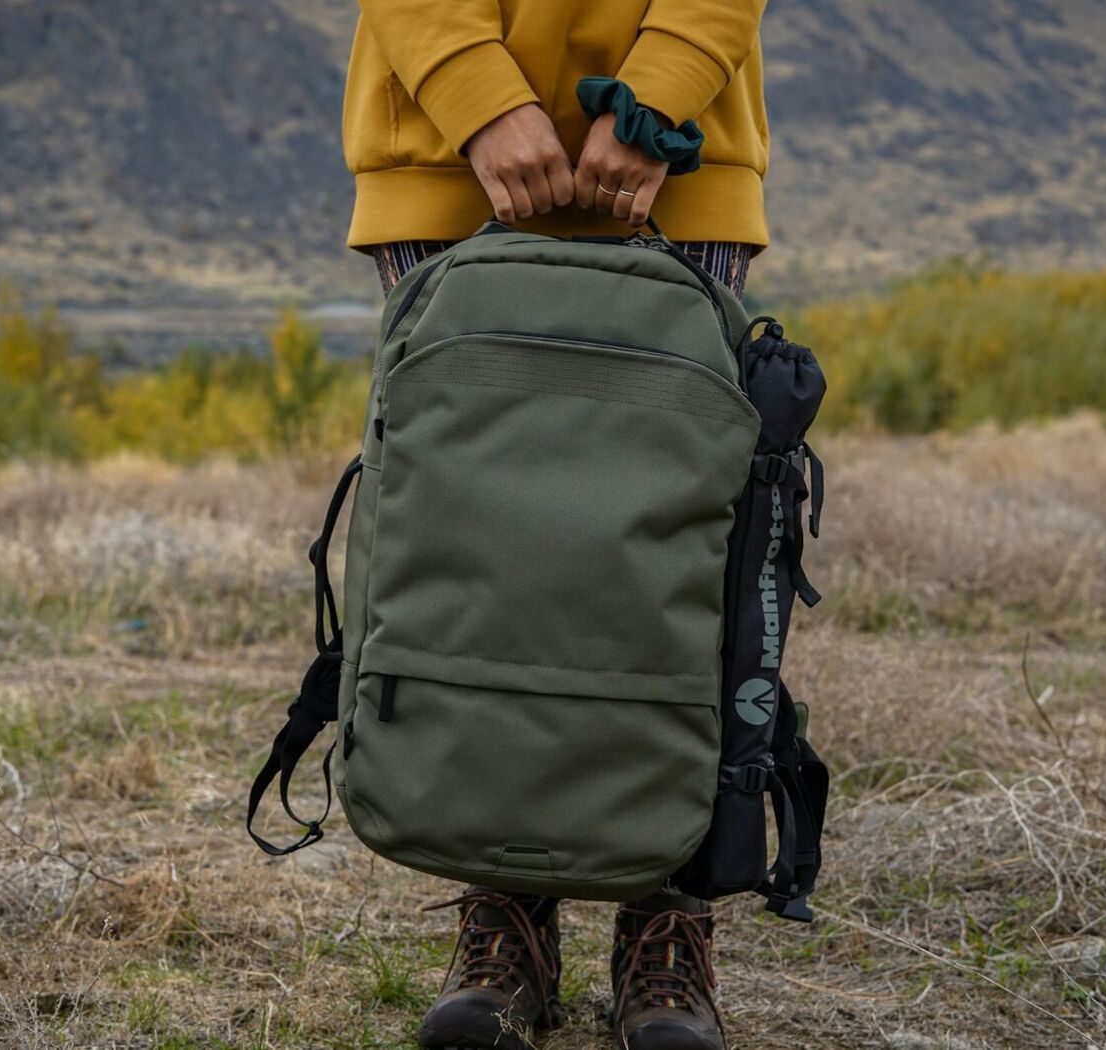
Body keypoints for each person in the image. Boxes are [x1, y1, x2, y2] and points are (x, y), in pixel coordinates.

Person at [340, 3, 771, 1047]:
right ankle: (504, 925)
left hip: (680, 152)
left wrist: (658, 98)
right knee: (482, 564)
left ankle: (668, 925)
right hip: (444, 158)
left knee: (666, 565)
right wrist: (479, 101)